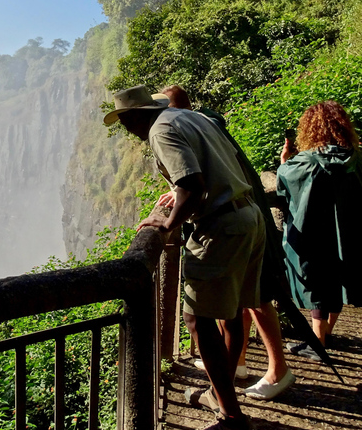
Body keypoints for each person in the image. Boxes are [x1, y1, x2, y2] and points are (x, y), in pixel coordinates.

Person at [104, 85, 264, 430]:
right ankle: (221, 394)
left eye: (122, 121)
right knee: (232, 311)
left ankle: (232, 416)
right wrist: (178, 193)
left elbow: (191, 182)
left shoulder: (160, 130)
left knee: (197, 319)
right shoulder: (191, 117)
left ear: (133, 118)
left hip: (220, 226)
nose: (125, 129)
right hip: (248, 216)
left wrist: (168, 223)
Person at [161, 85, 295, 401]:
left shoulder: (194, 126)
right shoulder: (204, 124)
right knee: (237, 298)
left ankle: (278, 369)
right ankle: (238, 364)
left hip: (237, 217)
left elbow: (201, 178)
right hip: (245, 211)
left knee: (258, 295)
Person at [277, 100, 362, 359]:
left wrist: (283, 162)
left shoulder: (304, 161)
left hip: (311, 231)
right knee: (339, 276)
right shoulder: (357, 158)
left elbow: (283, 186)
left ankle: (318, 342)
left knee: (314, 278)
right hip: (350, 232)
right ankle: (324, 334)